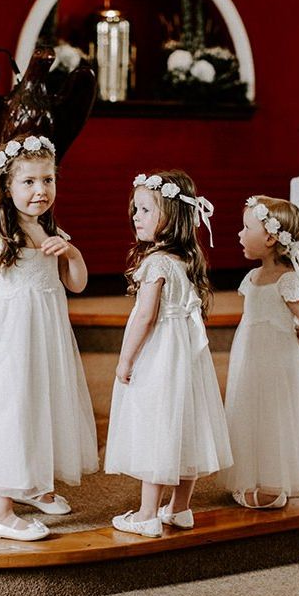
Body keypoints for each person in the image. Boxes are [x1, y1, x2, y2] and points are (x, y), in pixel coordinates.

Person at [0, 134, 98, 542]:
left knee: (42, 404)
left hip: (46, 340)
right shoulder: (1, 238)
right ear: (6, 187)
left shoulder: (49, 230)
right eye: (29, 182)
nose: (41, 190)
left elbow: (77, 285)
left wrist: (72, 253)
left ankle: (34, 485)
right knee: (13, 413)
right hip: (11, 342)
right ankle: (0, 513)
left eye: (48, 180)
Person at [104, 171, 232, 538]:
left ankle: (147, 513)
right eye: (136, 209)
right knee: (185, 423)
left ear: (171, 217)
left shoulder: (156, 264)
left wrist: (126, 359)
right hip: (188, 355)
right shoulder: (185, 262)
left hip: (160, 354)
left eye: (145, 209)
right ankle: (179, 507)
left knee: (156, 425)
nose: (136, 216)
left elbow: (145, 317)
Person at [217, 195, 299, 509]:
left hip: (278, 358)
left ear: (270, 238)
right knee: (251, 407)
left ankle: (273, 481)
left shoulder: (287, 280)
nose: (240, 234)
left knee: (275, 412)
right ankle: (253, 472)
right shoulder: (252, 278)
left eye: (246, 228)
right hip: (251, 356)